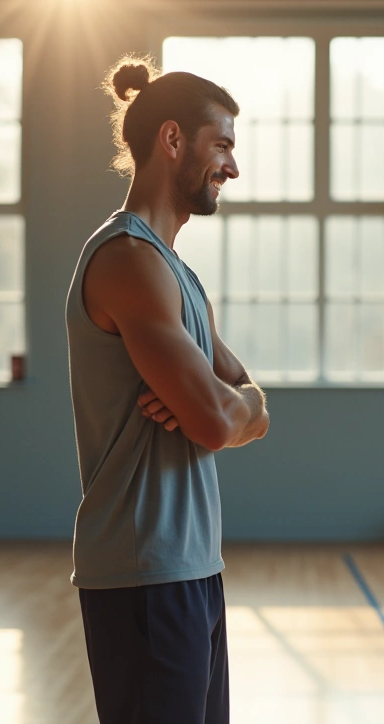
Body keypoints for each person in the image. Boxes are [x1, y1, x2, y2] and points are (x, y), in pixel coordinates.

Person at [65, 55, 269, 724]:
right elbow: (217, 422)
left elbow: (247, 404)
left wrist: (239, 403)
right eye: (223, 147)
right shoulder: (127, 261)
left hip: (191, 567)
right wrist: (232, 406)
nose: (232, 169)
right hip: (142, 571)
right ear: (172, 139)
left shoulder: (174, 271)